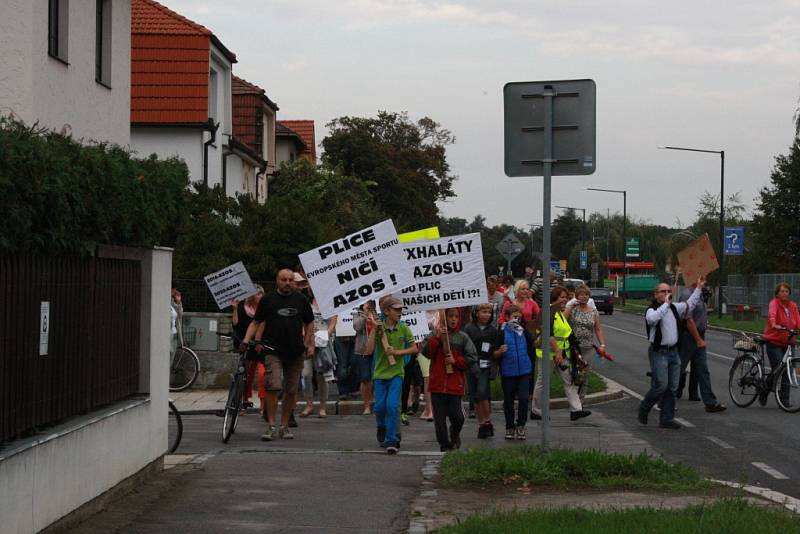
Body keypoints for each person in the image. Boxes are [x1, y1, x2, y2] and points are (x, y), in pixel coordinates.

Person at [242, 268, 314, 441]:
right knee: (273, 386)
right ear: (277, 281)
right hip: (273, 350)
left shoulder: (301, 299)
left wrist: (308, 343)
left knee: (291, 390)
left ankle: (284, 426)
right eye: (284, 279)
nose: (288, 282)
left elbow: (309, 322)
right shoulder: (268, 300)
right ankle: (270, 426)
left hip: (295, 351)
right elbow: (256, 322)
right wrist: (246, 341)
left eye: (290, 280)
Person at [639, 277, 705, 429]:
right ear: (656, 295)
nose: (667, 293)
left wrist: (699, 287)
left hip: (674, 352)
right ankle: (644, 408)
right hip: (659, 352)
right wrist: (666, 304)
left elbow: (690, 304)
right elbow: (652, 320)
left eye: (669, 291)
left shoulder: (675, 308)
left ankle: (667, 418)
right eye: (664, 291)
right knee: (661, 385)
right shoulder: (652, 310)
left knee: (672, 386)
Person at [363, 297, 418, 454]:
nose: (400, 312)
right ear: (386, 311)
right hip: (380, 375)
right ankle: (381, 426)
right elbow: (368, 351)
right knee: (380, 407)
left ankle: (392, 439)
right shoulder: (379, 328)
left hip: (396, 374)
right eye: (396, 309)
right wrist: (374, 329)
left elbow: (414, 349)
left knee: (392, 406)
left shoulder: (404, 328)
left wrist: (397, 352)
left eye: (401, 309)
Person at [531, 287, 591, 422]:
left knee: (568, 380)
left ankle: (576, 410)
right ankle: (536, 410)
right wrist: (557, 351)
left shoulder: (559, 313)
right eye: (562, 297)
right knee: (543, 381)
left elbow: (564, 335)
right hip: (548, 354)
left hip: (561, 354)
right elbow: (548, 333)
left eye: (566, 297)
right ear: (554, 298)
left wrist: (573, 353)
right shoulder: (549, 312)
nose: (565, 300)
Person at [422, 308, 478, 451]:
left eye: (456, 316)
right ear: (444, 317)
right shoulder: (434, 334)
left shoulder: (462, 337)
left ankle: (454, 435)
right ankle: (444, 445)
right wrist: (437, 338)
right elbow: (426, 353)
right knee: (439, 420)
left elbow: (472, 357)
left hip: (455, 385)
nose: (453, 319)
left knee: (458, 417)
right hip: (437, 385)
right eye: (450, 316)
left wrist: (456, 360)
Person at [676, 281, 726, 413]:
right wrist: (698, 339)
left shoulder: (699, 294)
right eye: (702, 277)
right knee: (678, 369)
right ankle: (664, 399)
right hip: (690, 337)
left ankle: (710, 402)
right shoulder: (687, 294)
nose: (705, 280)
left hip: (699, 336)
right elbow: (688, 319)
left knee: (702, 370)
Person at [497, 304, 536, 439]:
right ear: (507, 318)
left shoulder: (524, 332)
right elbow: (494, 353)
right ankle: (509, 427)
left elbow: (532, 349)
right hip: (508, 372)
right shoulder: (501, 333)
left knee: (524, 399)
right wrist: (499, 352)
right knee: (508, 401)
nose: (517, 320)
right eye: (514, 317)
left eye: (519, 317)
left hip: (524, 371)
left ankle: (521, 425)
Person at [463, 303, 500, 439]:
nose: (486, 315)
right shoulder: (469, 329)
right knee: (476, 396)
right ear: (476, 313)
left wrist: (498, 353)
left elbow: (494, 351)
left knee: (483, 391)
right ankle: (481, 423)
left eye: (489, 312)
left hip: (485, 366)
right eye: (483, 312)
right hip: (472, 365)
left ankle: (487, 419)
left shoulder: (492, 331)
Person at [564, 285, 605, 401]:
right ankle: (573, 402)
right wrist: (570, 306)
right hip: (573, 348)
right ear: (577, 296)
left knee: (584, 376)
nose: (584, 296)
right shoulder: (573, 309)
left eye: (586, 294)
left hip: (588, 348)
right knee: (572, 375)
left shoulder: (593, 312)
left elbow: (598, 329)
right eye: (581, 294)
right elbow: (562, 319)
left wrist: (602, 345)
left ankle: (580, 402)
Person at [300, 288, 337, 418]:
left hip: (323, 344)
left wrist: (324, 336)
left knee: (322, 375)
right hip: (307, 342)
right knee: (306, 374)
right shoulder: (304, 301)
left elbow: (333, 322)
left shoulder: (329, 303)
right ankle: (309, 404)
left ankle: (322, 407)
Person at [762, 282, 800, 406]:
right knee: (778, 369)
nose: (784, 293)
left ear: (789, 293)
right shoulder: (774, 304)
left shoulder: (793, 306)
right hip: (774, 342)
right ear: (777, 293)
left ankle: (784, 400)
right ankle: (764, 391)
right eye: (782, 291)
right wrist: (774, 324)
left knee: (788, 370)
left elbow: (798, 321)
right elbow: (772, 315)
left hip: (789, 342)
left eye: (786, 291)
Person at [231, 286, 265, 410]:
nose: (261, 296)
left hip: (261, 346)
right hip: (248, 346)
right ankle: (244, 400)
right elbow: (236, 324)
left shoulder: (264, 310)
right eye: (258, 294)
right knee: (246, 375)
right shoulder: (243, 309)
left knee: (262, 375)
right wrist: (234, 309)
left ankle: (263, 405)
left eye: (262, 293)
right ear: (251, 296)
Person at [353, 302, 375, 415]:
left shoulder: (379, 312)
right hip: (363, 351)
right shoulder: (358, 314)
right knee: (365, 378)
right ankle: (366, 405)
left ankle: (375, 402)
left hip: (377, 350)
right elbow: (357, 327)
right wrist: (365, 314)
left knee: (377, 377)